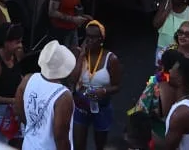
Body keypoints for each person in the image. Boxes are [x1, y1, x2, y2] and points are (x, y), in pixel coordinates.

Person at [13, 40, 75, 150]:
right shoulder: (63, 96)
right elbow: (61, 138)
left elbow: (17, 110)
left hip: (28, 145)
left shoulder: (28, 79)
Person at [70, 20, 120, 150]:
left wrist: (103, 91)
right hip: (81, 105)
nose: (89, 40)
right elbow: (73, 79)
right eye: (87, 36)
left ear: (101, 39)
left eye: (93, 37)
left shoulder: (111, 59)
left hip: (101, 107)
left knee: (100, 145)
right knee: (78, 145)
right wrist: (81, 56)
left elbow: (117, 86)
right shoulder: (80, 54)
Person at [159, 55, 189, 150]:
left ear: (180, 80)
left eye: (173, 69)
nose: (169, 71)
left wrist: (148, 133)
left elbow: (167, 148)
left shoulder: (181, 114)